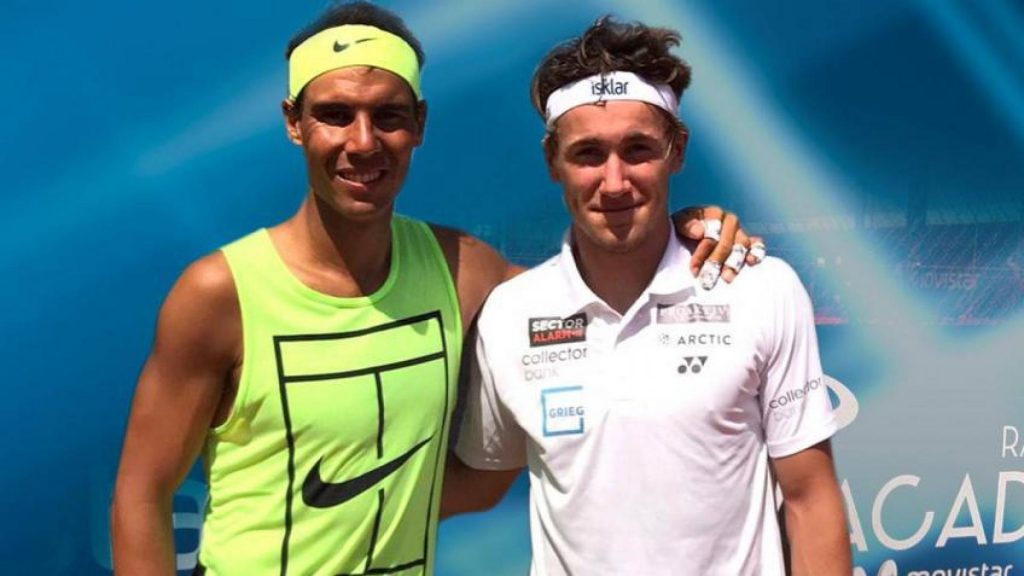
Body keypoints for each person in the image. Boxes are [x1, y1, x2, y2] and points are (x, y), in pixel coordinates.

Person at [111, 3, 755, 575]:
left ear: (418, 123)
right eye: (335, 115)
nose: (362, 143)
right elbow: (142, 494)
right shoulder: (220, 291)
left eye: (387, 116)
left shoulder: (465, 271)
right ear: (294, 122)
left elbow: (597, 286)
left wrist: (678, 227)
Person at [448, 16, 852, 576]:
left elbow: (811, 499)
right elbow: (485, 478)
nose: (614, 182)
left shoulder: (760, 287)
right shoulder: (510, 316)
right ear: (552, 163)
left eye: (637, 150)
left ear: (677, 150)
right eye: (588, 154)